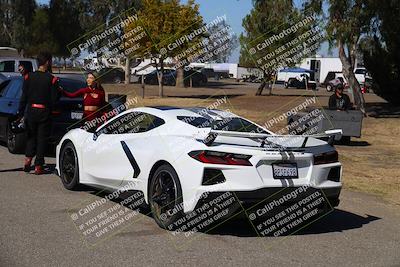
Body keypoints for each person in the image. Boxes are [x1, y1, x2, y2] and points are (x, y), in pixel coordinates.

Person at [19, 52, 60, 175]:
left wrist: (20, 112)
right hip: (44, 112)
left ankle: (27, 160)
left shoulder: (28, 77)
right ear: (47, 62)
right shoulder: (52, 79)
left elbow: (24, 97)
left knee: (31, 137)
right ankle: (38, 166)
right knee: (42, 139)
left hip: (31, 111)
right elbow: (54, 99)